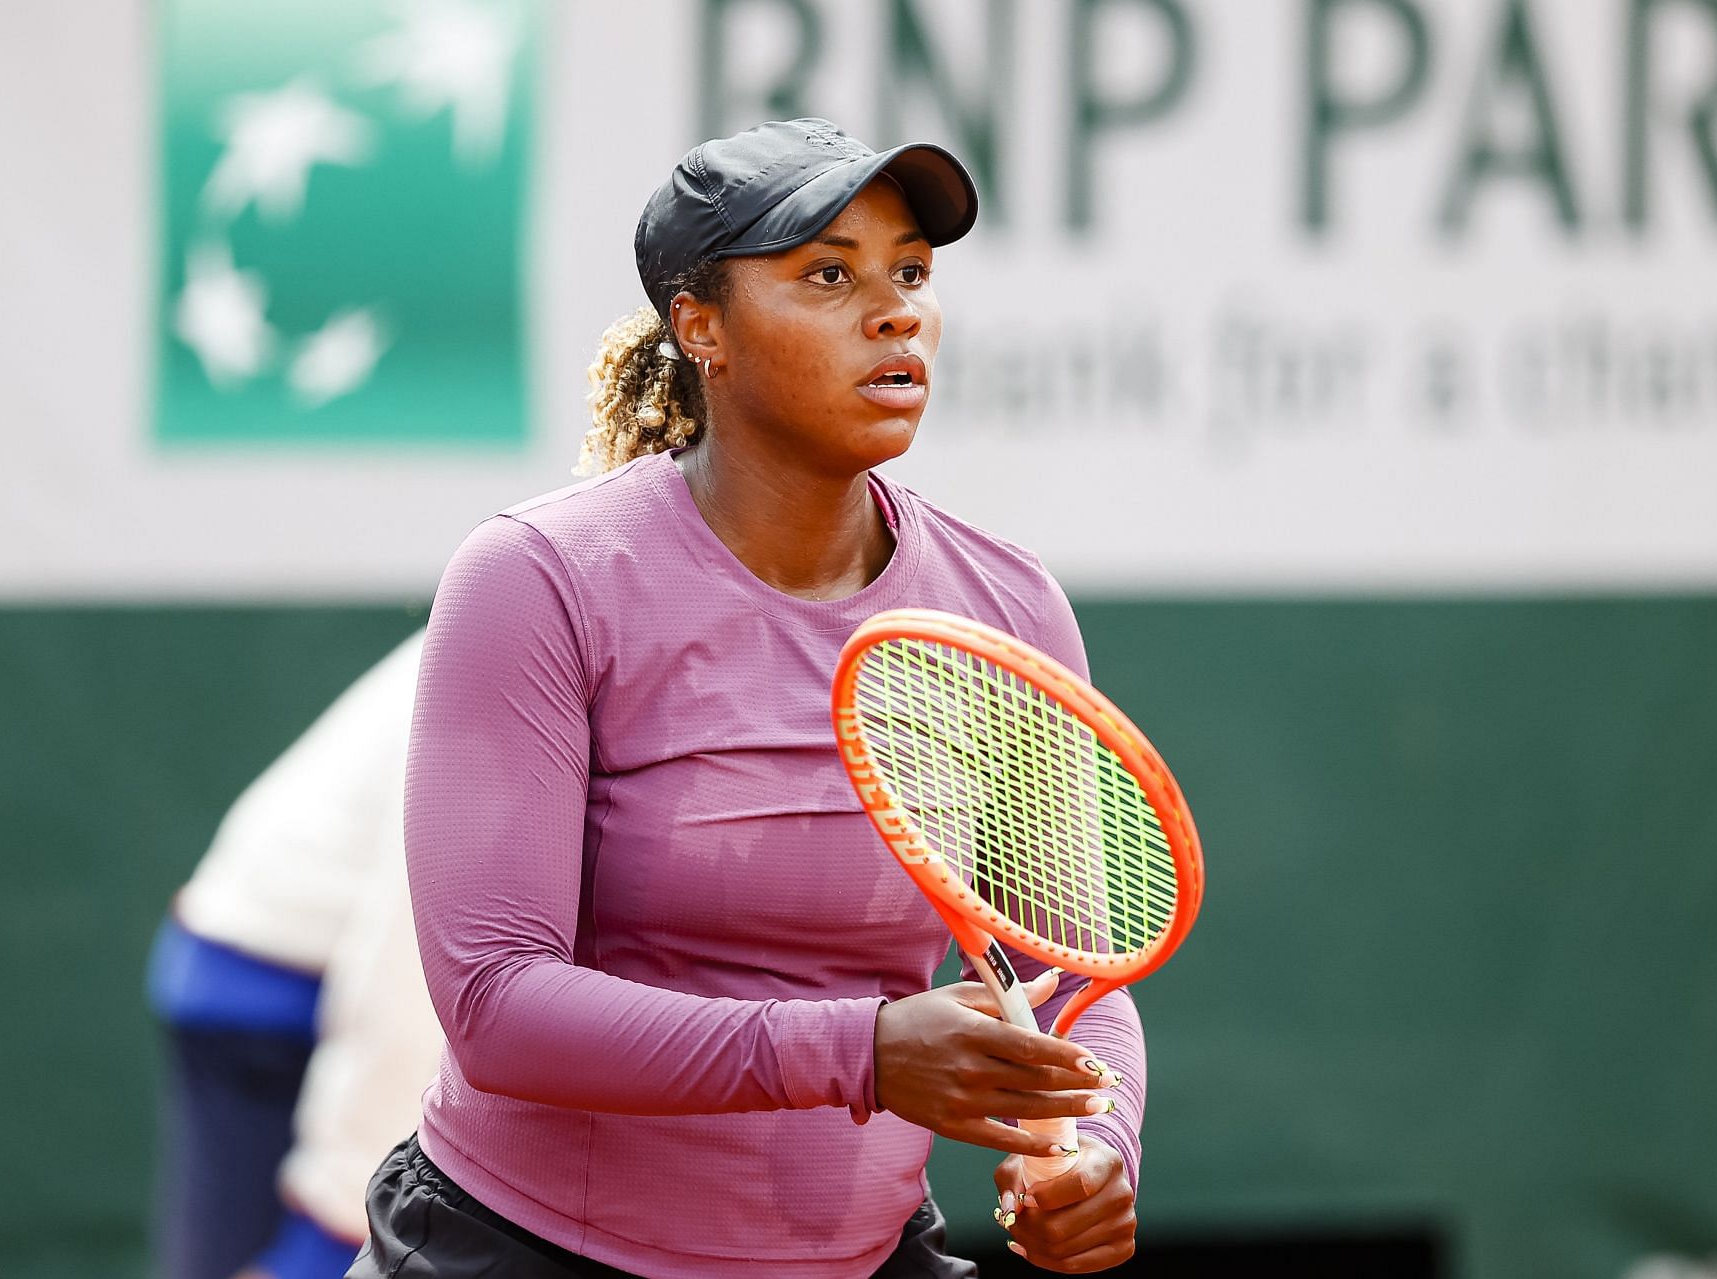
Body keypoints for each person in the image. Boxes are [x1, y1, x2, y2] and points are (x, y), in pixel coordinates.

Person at [359, 119, 1146, 1279]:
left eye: (912, 272)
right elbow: (494, 1000)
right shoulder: (537, 580)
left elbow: (1071, 980)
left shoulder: (1007, 609)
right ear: (701, 327)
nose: (895, 312)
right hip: (528, 1249)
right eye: (828, 273)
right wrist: (864, 1051)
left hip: (863, 1253)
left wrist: (1091, 1144)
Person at [148, 633, 443, 1279]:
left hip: (255, 970)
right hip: (265, 1007)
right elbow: (404, 990)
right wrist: (328, 1236)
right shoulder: (523, 652)